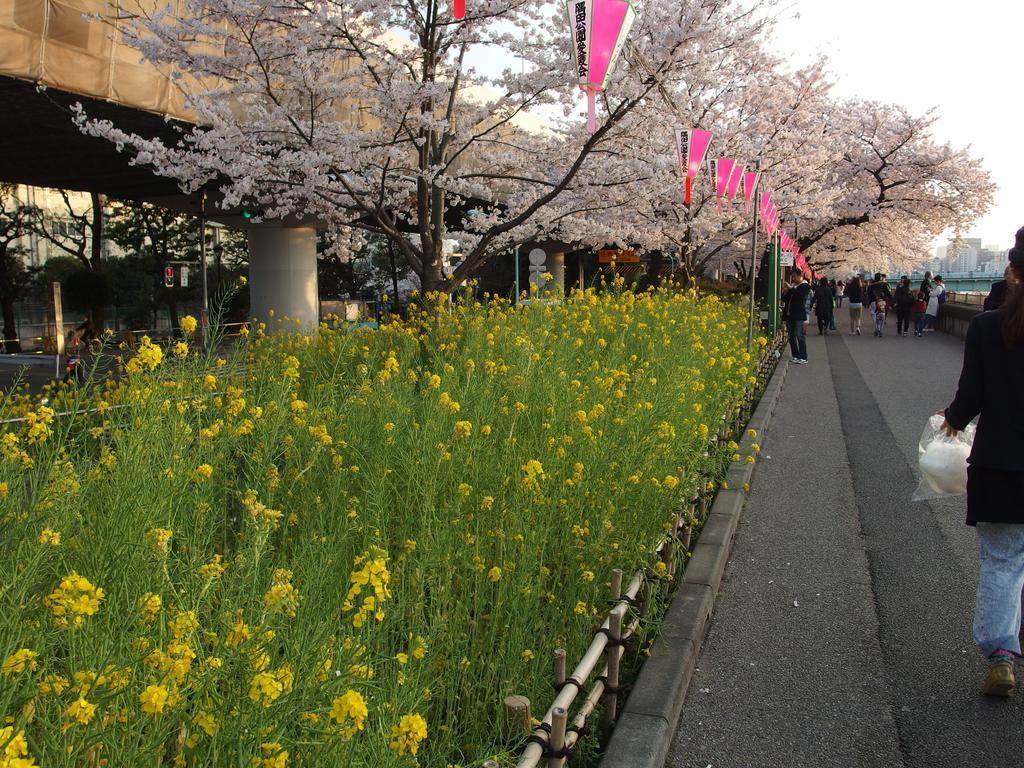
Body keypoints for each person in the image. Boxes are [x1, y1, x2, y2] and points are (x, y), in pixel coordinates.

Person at [941, 228, 1024, 696]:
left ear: (1012, 272)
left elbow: (971, 395)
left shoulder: (988, 327)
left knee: (1002, 561)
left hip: (1000, 463)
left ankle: (1000, 655)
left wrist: (951, 421)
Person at [782, 271, 811, 364]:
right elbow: (785, 299)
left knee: (799, 335)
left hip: (798, 314)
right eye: (792, 277)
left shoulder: (805, 286)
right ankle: (795, 355)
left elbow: (801, 296)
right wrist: (785, 292)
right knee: (791, 336)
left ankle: (803, 356)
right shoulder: (793, 286)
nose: (793, 279)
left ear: (800, 276)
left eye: (794, 277)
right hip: (789, 314)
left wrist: (791, 288)